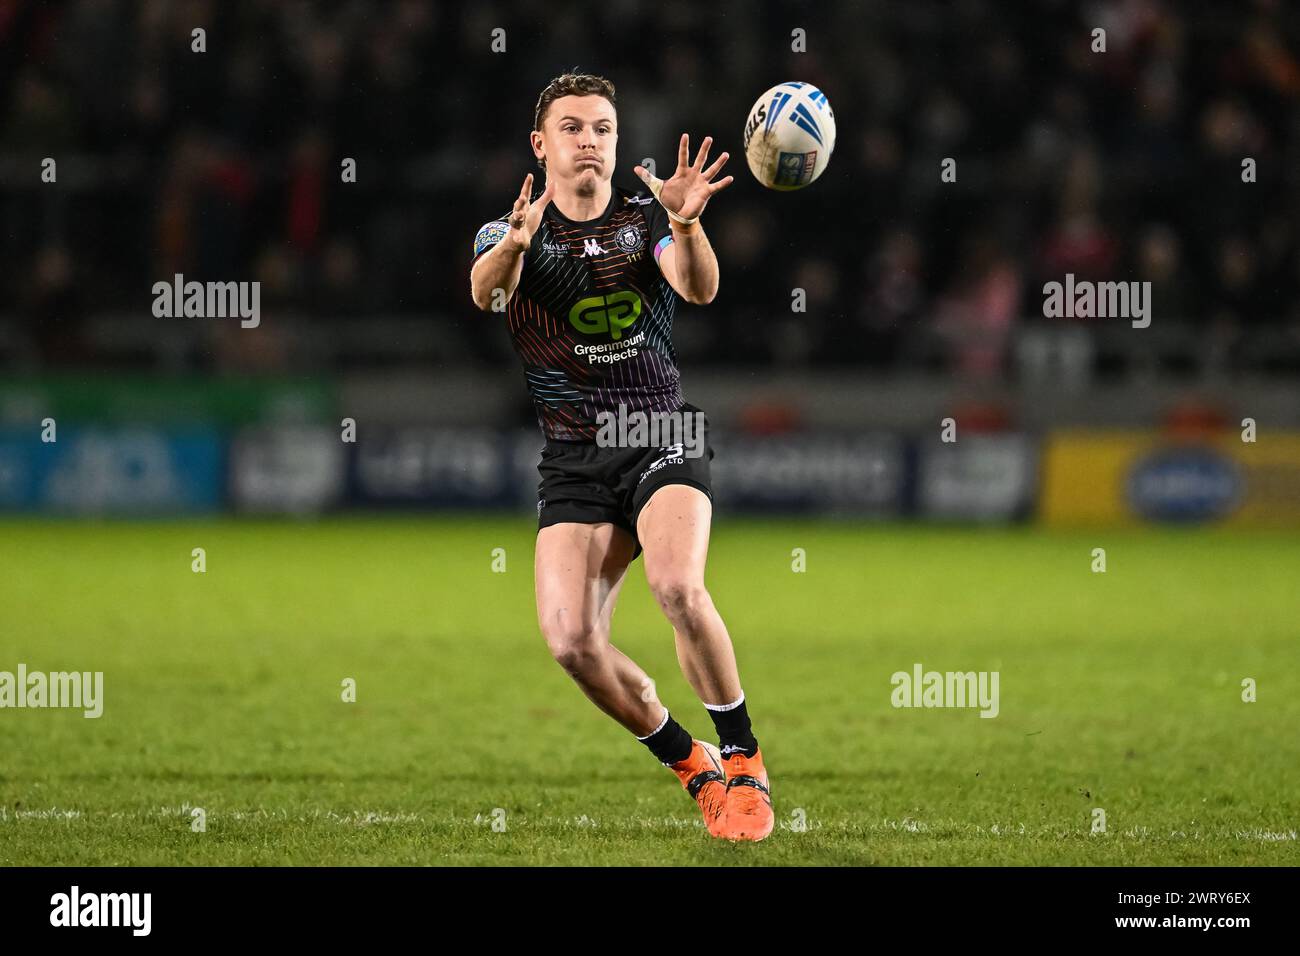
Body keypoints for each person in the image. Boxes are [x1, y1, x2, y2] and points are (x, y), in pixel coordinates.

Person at [468, 72, 771, 841]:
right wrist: (514, 244)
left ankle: (743, 757)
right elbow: (484, 293)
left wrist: (690, 225)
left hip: (660, 431)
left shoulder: (648, 221)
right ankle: (688, 760)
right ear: (541, 145)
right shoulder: (512, 230)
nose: (589, 141)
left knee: (676, 586)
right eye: (572, 128)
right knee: (571, 642)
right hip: (573, 456)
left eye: (602, 128)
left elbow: (697, 290)